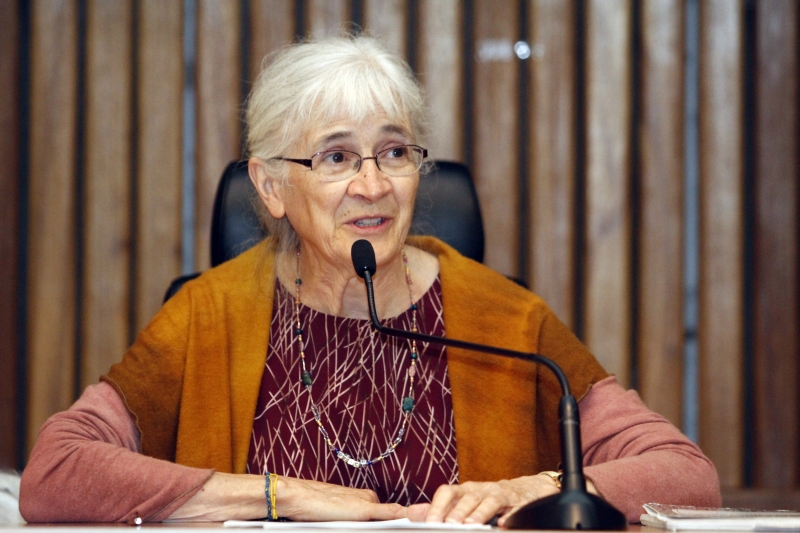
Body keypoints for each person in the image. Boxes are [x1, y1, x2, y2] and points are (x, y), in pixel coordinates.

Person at [19, 35, 720, 526]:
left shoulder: (506, 319)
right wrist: (282, 496)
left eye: (394, 151)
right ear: (270, 186)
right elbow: (55, 472)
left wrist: (538, 487)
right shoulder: (207, 314)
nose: (373, 184)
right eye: (336, 157)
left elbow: (686, 473)